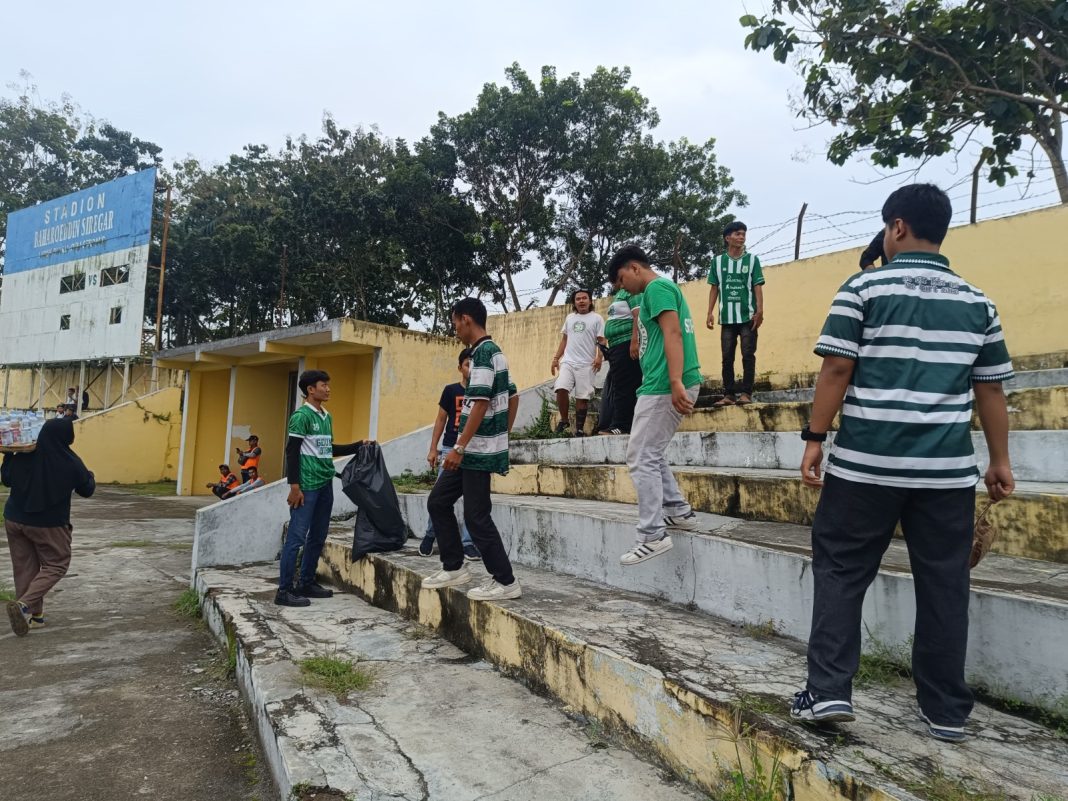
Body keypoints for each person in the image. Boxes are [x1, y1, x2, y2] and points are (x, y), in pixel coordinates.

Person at [792, 184, 1015, 744]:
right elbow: (990, 391)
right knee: (944, 584)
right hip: (944, 474)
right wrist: (1000, 460)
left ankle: (828, 691)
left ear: (896, 227)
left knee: (842, 571)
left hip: (866, 466)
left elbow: (837, 371)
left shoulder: (863, 288)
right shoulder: (977, 302)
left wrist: (815, 438)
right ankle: (945, 711)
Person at [607, 245, 703, 566]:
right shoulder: (658, 291)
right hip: (662, 382)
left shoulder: (657, 288)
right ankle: (678, 511)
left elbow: (673, 333)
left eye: (622, 279)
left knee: (639, 456)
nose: (623, 288)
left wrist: (675, 381)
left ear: (635, 268)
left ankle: (652, 535)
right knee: (650, 451)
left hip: (663, 384)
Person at [423, 297, 521, 600]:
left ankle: (506, 582)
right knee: (438, 502)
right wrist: (500, 434)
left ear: (465, 319)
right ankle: (453, 566)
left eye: (454, 322)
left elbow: (479, 402)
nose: (455, 329)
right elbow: (509, 395)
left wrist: (460, 447)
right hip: (475, 449)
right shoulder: (491, 353)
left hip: (474, 452)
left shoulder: (484, 354)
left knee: (477, 517)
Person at [276, 370, 369, 608]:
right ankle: (284, 590)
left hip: (325, 483)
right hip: (306, 487)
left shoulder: (326, 416)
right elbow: (292, 451)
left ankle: (306, 582)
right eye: (323, 385)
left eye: (328, 384)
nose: (328, 389)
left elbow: (328, 449)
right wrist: (294, 486)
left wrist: (357, 446)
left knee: (318, 536)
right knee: (296, 538)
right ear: (310, 389)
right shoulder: (301, 416)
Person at [3, 418, 95, 636]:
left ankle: (36, 618)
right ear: (68, 437)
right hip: (48, 525)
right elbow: (87, 490)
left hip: (14, 520)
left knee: (25, 567)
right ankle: (24, 605)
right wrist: (90, 475)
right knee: (57, 564)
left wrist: (8, 456)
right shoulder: (70, 461)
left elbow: (6, 479)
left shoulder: (23, 454)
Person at [420, 348, 481, 561]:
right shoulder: (450, 390)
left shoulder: (482, 391)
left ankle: (467, 542)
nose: (470, 369)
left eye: (474, 364)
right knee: (439, 497)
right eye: (467, 364)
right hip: (448, 449)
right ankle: (430, 534)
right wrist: (433, 448)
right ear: (459, 368)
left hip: (473, 451)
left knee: (472, 501)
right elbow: (440, 420)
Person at [706, 221, 765, 406]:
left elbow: (757, 286)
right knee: (727, 357)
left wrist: (760, 311)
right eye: (738, 234)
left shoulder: (752, 260)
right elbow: (714, 288)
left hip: (748, 317)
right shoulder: (717, 262)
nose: (742, 237)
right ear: (727, 238)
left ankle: (746, 393)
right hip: (727, 319)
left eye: (744, 234)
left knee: (748, 354)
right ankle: (729, 395)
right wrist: (709, 312)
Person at [550, 289, 605, 436]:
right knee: (561, 388)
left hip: (587, 364)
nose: (581, 301)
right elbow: (564, 340)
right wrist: (556, 359)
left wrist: (599, 357)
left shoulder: (597, 318)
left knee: (582, 397)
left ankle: (579, 429)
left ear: (590, 301)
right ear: (574, 302)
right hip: (568, 362)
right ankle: (564, 420)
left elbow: (601, 340)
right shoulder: (570, 318)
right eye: (578, 299)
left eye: (584, 298)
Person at [598, 275, 642, 434]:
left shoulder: (633, 292)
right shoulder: (620, 295)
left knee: (623, 385)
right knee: (619, 384)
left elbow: (638, 315)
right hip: (616, 346)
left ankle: (621, 425)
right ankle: (622, 422)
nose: (614, 283)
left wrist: (634, 341)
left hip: (626, 344)